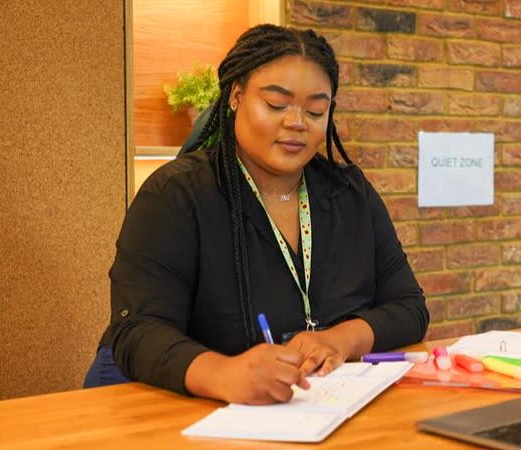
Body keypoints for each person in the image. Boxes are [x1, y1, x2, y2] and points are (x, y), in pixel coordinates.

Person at [84, 24, 429, 405]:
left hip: (305, 410)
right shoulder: (176, 195)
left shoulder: (349, 193)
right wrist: (223, 374)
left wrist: (339, 339)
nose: (297, 122)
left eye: (316, 110)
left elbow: (409, 308)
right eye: (276, 104)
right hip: (171, 407)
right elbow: (138, 330)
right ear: (236, 96)